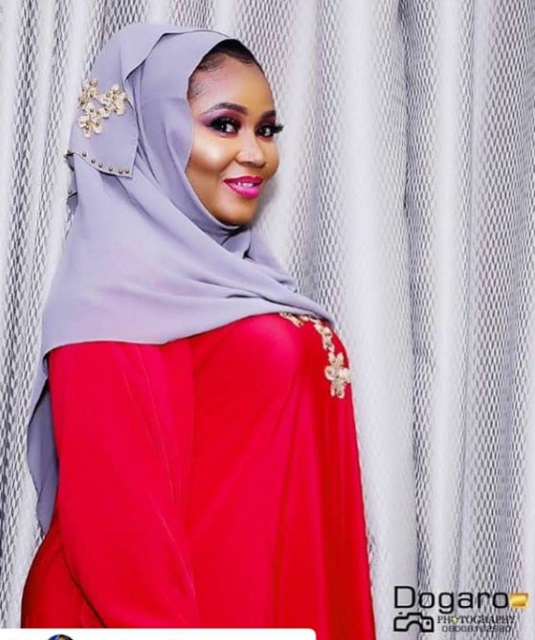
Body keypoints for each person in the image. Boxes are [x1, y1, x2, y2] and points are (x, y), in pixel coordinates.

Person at [20, 24, 376, 639]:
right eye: (225, 124)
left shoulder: (245, 280)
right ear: (156, 134)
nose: (256, 153)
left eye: (266, 130)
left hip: (258, 604)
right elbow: (118, 539)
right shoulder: (111, 301)